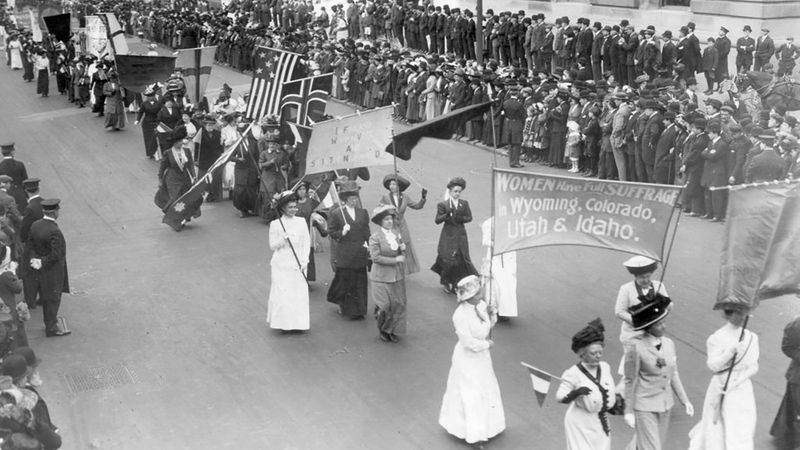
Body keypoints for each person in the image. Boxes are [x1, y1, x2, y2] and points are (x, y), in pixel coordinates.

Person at [438, 275, 505, 449]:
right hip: (467, 359)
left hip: (482, 359)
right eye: (477, 293)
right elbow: (468, 343)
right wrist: (486, 344)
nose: (480, 294)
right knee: (471, 394)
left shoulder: (481, 305)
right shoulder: (460, 315)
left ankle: (490, 427)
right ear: (468, 296)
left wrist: (492, 315)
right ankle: (474, 436)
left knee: (486, 389)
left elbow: (488, 327)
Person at [623, 294, 693, 450]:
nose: (664, 327)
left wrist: (685, 400)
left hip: (665, 404)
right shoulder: (636, 348)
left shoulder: (669, 344)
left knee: (648, 445)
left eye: (664, 322)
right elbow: (630, 380)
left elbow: (673, 373)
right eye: (659, 324)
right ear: (649, 327)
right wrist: (628, 411)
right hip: (644, 406)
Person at [688, 308, 759, 450]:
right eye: (738, 313)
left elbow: (754, 366)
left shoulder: (751, 337)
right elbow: (713, 366)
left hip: (742, 388)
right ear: (729, 313)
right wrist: (729, 353)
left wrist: (738, 381)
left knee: (741, 425)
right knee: (717, 425)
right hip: (721, 385)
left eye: (744, 313)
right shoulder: (716, 338)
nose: (742, 317)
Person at [556, 318, 617, 450]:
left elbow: (609, 390)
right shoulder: (573, 373)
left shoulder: (605, 367)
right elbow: (560, 397)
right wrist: (576, 393)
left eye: (600, 352)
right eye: (593, 353)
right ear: (582, 355)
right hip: (580, 423)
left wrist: (613, 403)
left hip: (600, 421)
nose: (598, 356)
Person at [25, 199, 70, 337]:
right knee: (53, 298)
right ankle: (51, 327)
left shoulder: (35, 225)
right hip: (53, 270)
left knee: (46, 296)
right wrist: (43, 261)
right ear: (55, 212)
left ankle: (50, 322)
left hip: (39, 268)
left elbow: (30, 245)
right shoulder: (54, 230)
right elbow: (57, 254)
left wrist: (35, 260)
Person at [267, 191, 310, 333]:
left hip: (298, 263)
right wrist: (282, 240)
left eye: (295, 207)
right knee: (284, 294)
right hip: (282, 264)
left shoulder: (301, 222)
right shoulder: (276, 224)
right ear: (283, 208)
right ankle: (284, 324)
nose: (293, 210)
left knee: (298, 294)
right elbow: (272, 246)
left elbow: (306, 243)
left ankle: (298, 324)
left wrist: (305, 261)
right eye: (290, 207)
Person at [326, 180, 370, 320]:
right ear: (345, 199)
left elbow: (366, 230)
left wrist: (368, 244)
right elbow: (331, 232)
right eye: (351, 198)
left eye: (356, 198)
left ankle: (360, 309)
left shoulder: (362, 212)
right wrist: (342, 233)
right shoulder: (337, 214)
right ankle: (345, 306)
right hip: (345, 252)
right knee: (345, 280)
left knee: (360, 281)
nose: (354, 201)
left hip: (359, 251)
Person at [431, 177, 477, 294]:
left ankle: (457, 283)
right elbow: (437, 220)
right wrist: (446, 215)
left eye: (459, 192)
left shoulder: (464, 204)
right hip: (448, 235)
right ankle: (445, 281)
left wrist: (461, 218)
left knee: (461, 260)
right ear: (450, 192)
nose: (457, 194)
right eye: (455, 191)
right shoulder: (443, 205)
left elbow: (469, 217)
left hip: (461, 236)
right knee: (448, 260)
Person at [368, 205, 407, 343]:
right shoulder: (375, 238)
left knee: (397, 304)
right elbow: (375, 258)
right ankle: (382, 328)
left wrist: (402, 250)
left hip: (396, 275)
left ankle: (391, 330)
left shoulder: (396, 234)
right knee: (384, 305)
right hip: (380, 277)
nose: (389, 222)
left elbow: (401, 253)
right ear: (380, 222)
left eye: (391, 219)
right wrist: (395, 259)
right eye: (386, 219)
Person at [378, 174, 426, 275]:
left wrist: (423, 198)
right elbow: (379, 210)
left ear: (399, 186)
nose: (392, 186)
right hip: (390, 226)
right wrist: (385, 211)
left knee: (404, 246)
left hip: (402, 226)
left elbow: (417, 206)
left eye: (394, 184)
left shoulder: (405, 197)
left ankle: (403, 269)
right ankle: (391, 268)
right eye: (390, 184)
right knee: (392, 246)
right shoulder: (385, 197)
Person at [771, 315, 800, 448]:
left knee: (791, 409)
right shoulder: (797, 325)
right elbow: (787, 346)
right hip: (797, 378)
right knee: (794, 411)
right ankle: (787, 440)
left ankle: (785, 437)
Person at [480, 217, 517, 320]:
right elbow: (485, 241)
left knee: (508, 284)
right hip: (495, 256)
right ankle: (493, 310)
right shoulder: (488, 223)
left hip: (509, 256)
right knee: (495, 284)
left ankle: (505, 310)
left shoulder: (511, 220)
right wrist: (497, 243)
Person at [292, 181, 327, 282]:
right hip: (296, 232)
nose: (302, 192)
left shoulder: (310, 201)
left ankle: (306, 278)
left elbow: (320, 200)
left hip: (308, 232)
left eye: (304, 189)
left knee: (308, 256)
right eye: (300, 189)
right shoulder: (292, 203)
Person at [0, 143, 29, 211]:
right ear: (12, 152)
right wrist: (27, 196)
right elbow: (25, 182)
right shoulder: (20, 165)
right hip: (20, 195)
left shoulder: (0, 166)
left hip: (5, 196)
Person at [134, 86, 162, 158]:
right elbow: (140, 112)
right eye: (149, 96)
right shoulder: (144, 104)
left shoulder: (158, 103)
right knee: (148, 139)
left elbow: (162, 112)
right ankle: (150, 153)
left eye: (152, 96)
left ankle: (157, 152)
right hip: (147, 123)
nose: (150, 97)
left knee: (157, 138)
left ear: (154, 96)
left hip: (156, 122)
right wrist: (137, 120)